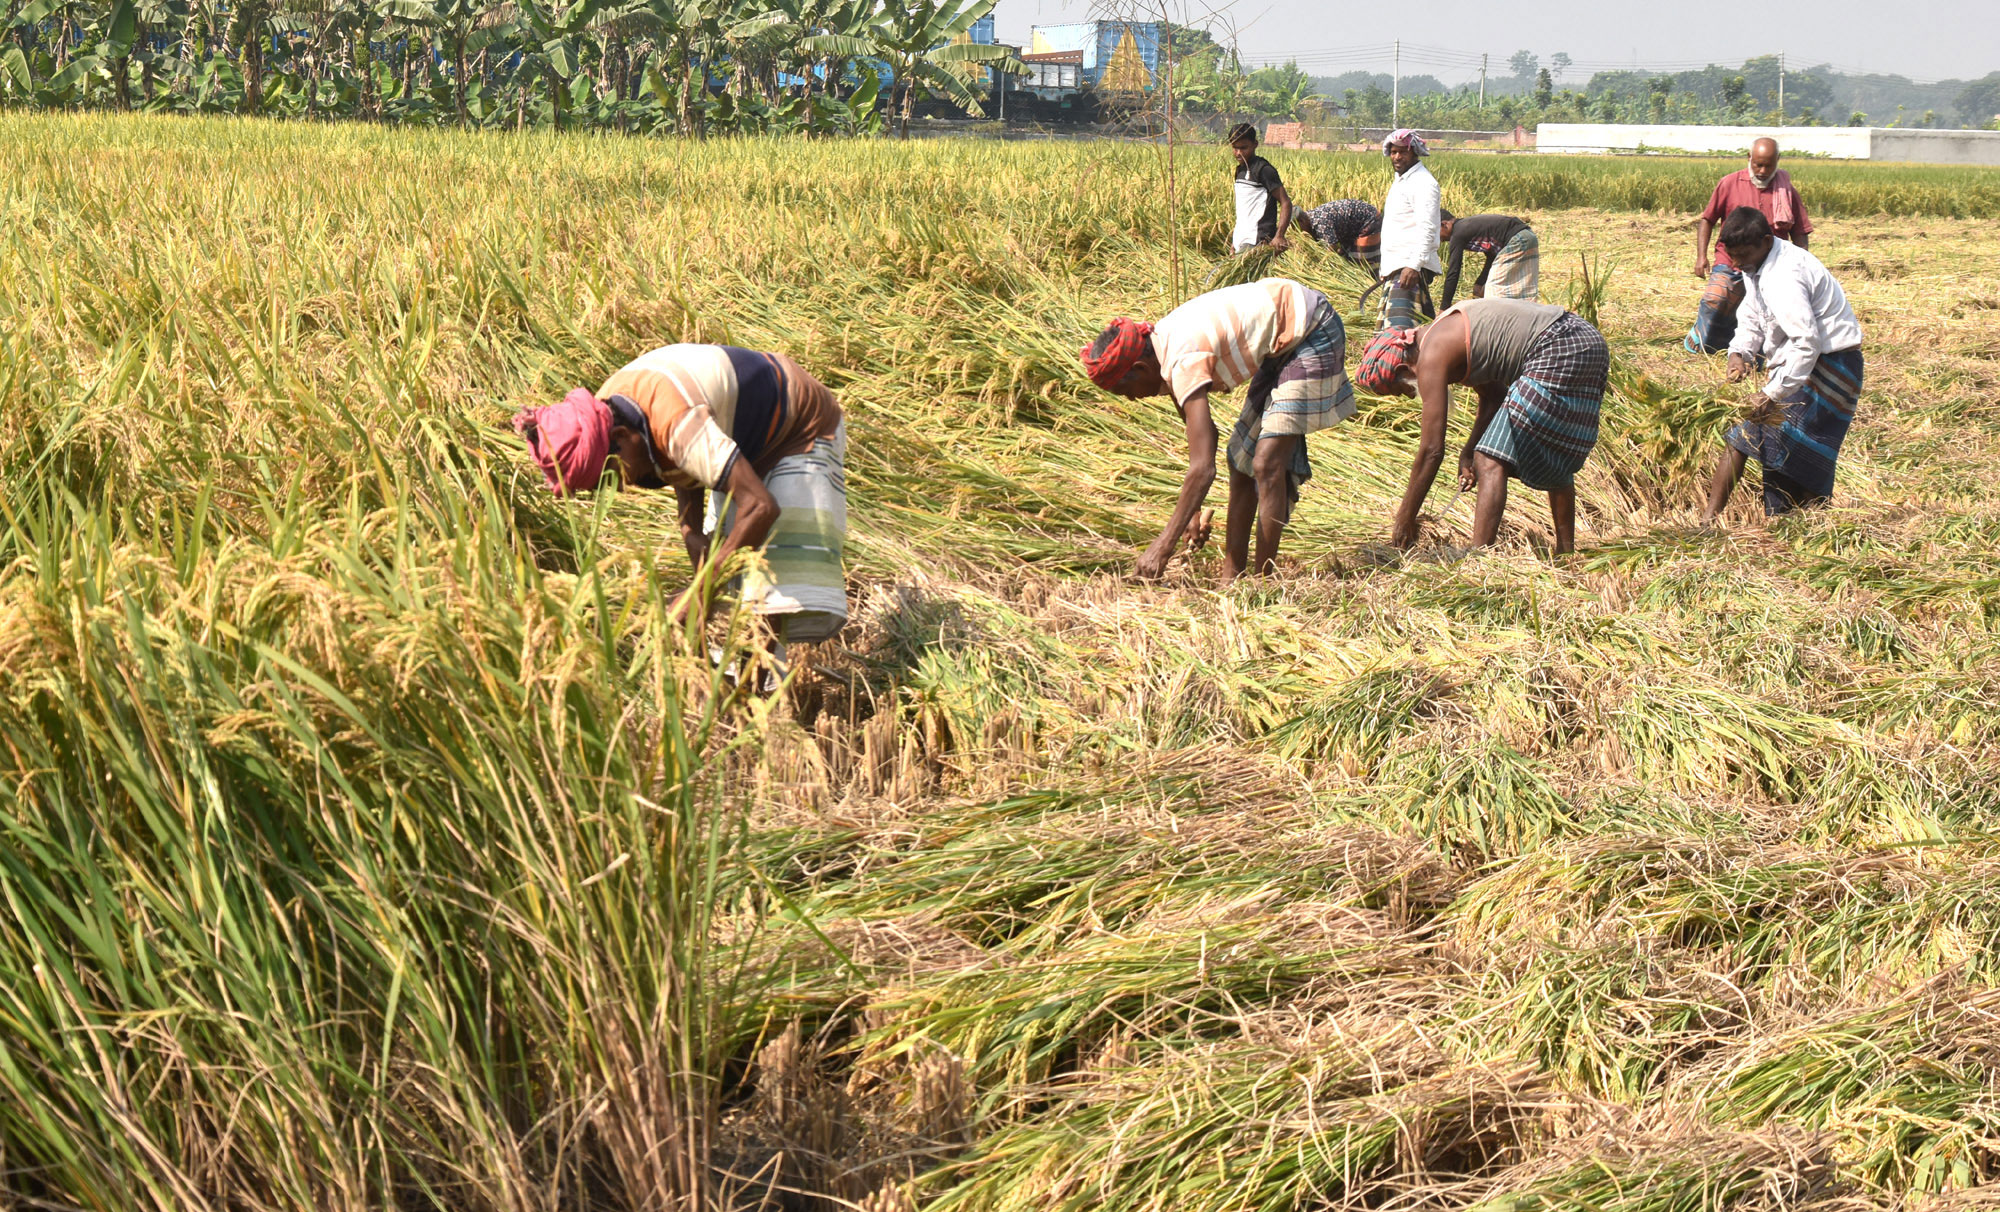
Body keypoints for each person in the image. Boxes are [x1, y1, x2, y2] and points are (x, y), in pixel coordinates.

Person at [511, 344, 849, 643]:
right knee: (728, 569)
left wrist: (701, 587)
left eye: (608, 476)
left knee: (768, 581)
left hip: (800, 425)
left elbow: (761, 506)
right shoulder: (605, 410)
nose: (616, 488)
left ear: (622, 435)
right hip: (740, 436)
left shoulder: (678, 424)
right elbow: (669, 457)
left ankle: (758, 695)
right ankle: (732, 688)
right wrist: (690, 529)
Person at [1081, 277, 1356, 582]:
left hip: (1311, 329)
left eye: (1126, 392)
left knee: (1267, 464)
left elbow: (1202, 469)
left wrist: (1162, 547)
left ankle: (1263, 583)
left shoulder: (1180, 360)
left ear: (1140, 370)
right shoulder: (1165, 350)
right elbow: (1202, 440)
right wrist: (1192, 513)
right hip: (1281, 341)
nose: (1132, 399)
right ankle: (1231, 579)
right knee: (1240, 462)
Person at [1355, 297, 1608, 556]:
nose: (1409, 396)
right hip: (1585, 340)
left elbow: (1431, 450)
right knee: (1552, 448)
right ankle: (1566, 554)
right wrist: (1467, 453)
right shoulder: (1445, 334)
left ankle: (1479, 559)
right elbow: (1494, 397)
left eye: (1402, 390)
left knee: (1489, 460)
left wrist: (1405, 519)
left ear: (1403, 367)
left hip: (1555, 347)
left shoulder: (1431, 353)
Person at [1699, 206, 1863, 522]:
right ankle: (1719, 521)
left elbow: (1807, 343)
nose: (1735, 264)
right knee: (1747, 435)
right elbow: (1753, 315)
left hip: (1830, 364)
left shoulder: (1785, 275)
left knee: (1796, 450)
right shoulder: (1756, 264)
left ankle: (1813, 526)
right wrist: (1739, 353)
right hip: (1802, 361)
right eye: (1730, 256)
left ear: (1765, 240)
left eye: (1742, 255)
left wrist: (1771, 393)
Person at [1687, 137, 1813, 354]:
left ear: (1778, 161)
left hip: (1771, 266)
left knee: (1770, 313)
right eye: (1758, 164)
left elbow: (1799, 233)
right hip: (1732, 260)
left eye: (1769, 165)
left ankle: (1756, 352)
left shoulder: (1786, 190)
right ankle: (1703, 341)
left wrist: (1800, 266)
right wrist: (1701, 256)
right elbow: (1707, 219)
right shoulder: (1729, 183)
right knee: (1715, 300)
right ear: (1749, 158)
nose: (1763, 171)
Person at [1376, 128, 1444, 330]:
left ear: (1414, 152)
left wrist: (1414, 265)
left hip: (1408, 267)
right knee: (1414, 328)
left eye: (1402, 152)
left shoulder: (1423, 183)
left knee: (1399, 333)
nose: (1397, 157)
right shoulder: (1403, 181)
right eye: (1393, 152)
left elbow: (1428, 228)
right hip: (1397, 265)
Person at [1438, 213, 1540, 310]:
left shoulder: (1458, 233)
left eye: (1435, 231)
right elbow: (1492, 255)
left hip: (1517, 239)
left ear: (1445, 224)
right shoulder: (1468, 226)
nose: (1438, 239)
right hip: (1528, 235)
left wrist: (1444, 307)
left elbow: (1453, 271)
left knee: (1494, 289)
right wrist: (1479, 283)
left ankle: (1498, 320)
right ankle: (1528, 316)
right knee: (1523, 287)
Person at [1228, 123, 1294, 254]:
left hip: (1258, 239)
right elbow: (1244, 210)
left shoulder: (1264, 170)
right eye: (1235, 148)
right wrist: (1235, 241)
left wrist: (1279, 236)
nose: (1238, 153)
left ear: (1255, 144)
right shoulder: (1240, 171)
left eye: (1243, 148)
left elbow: (1286, 202)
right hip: (1242, 239)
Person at [1297, 198, 1383, 270]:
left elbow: (1331, 249)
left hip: (1370, 220)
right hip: (1352, 227)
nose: (1298, 231)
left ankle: (1372, 282)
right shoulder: (1310, 217)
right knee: (1346, 256)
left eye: (1296, 227)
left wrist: (1320, 266)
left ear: (1302, 221)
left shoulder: (1320, 224)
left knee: (1361, 263)